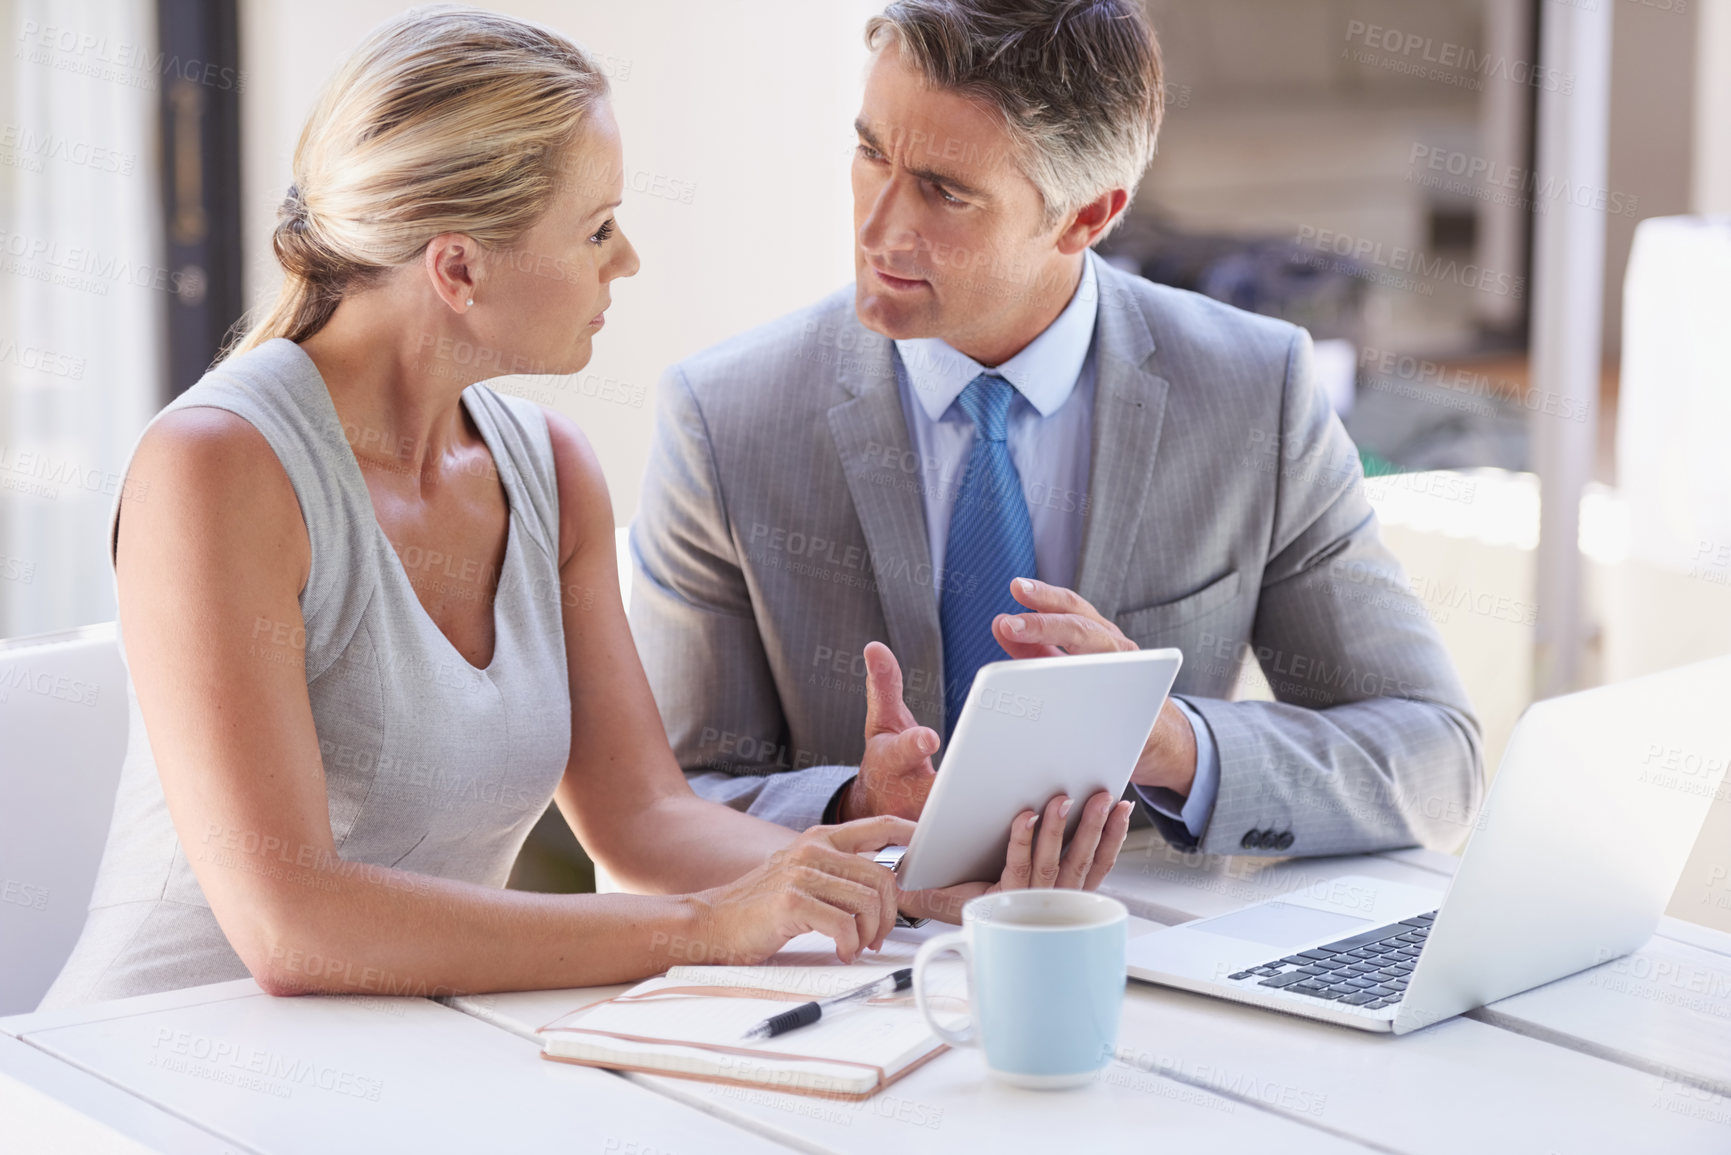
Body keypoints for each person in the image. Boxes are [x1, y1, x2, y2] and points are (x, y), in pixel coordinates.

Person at [39, 7, 1126, 1012]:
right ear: (458, 268)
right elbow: (294, 925)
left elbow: (642, 818)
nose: (630, 261)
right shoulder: (218, 466)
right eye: (597, 228)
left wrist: (885, 862)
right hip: (155, 1073)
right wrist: (703, 929)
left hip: (416, 1058)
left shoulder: (550, 470)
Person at [630, 0, 1484, 857]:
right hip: (848, 964)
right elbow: (660, 807)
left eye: (944, 190)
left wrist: (1173, 743)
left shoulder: (1255, 391)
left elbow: (1435, 760)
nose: (878, 226)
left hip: (1138, 963)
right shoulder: (725, 416)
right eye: (870, 152)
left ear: (1085, 217)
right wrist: (851, 805)